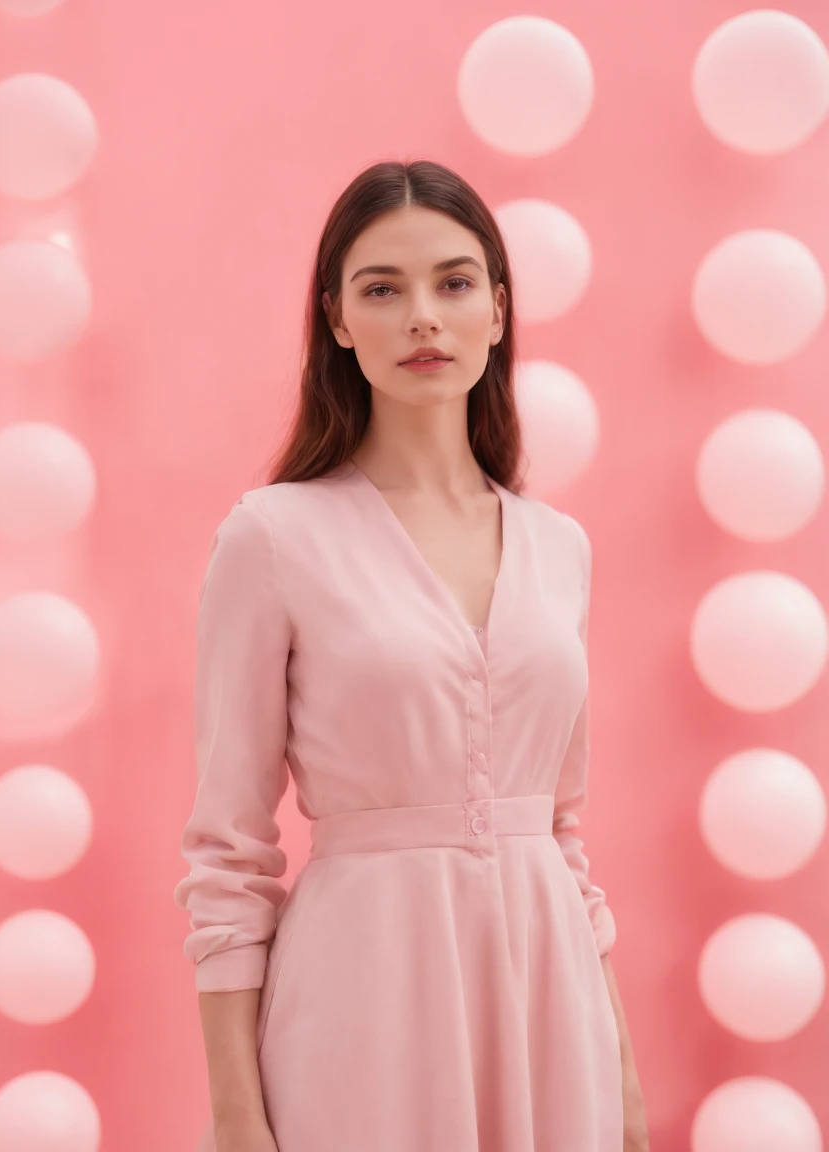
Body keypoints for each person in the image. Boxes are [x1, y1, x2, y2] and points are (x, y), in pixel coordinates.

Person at [174, 158, 638, 1152]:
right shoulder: (271, 538)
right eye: (381, 289)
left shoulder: (560, 547)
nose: (422, 316)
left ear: (499, 311)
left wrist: (622, 1072)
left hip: (550, 1003)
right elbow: (227, 853)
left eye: (453, 282)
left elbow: (559, 833)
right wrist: (234, 1116)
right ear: (337, 321)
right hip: (361, 999)